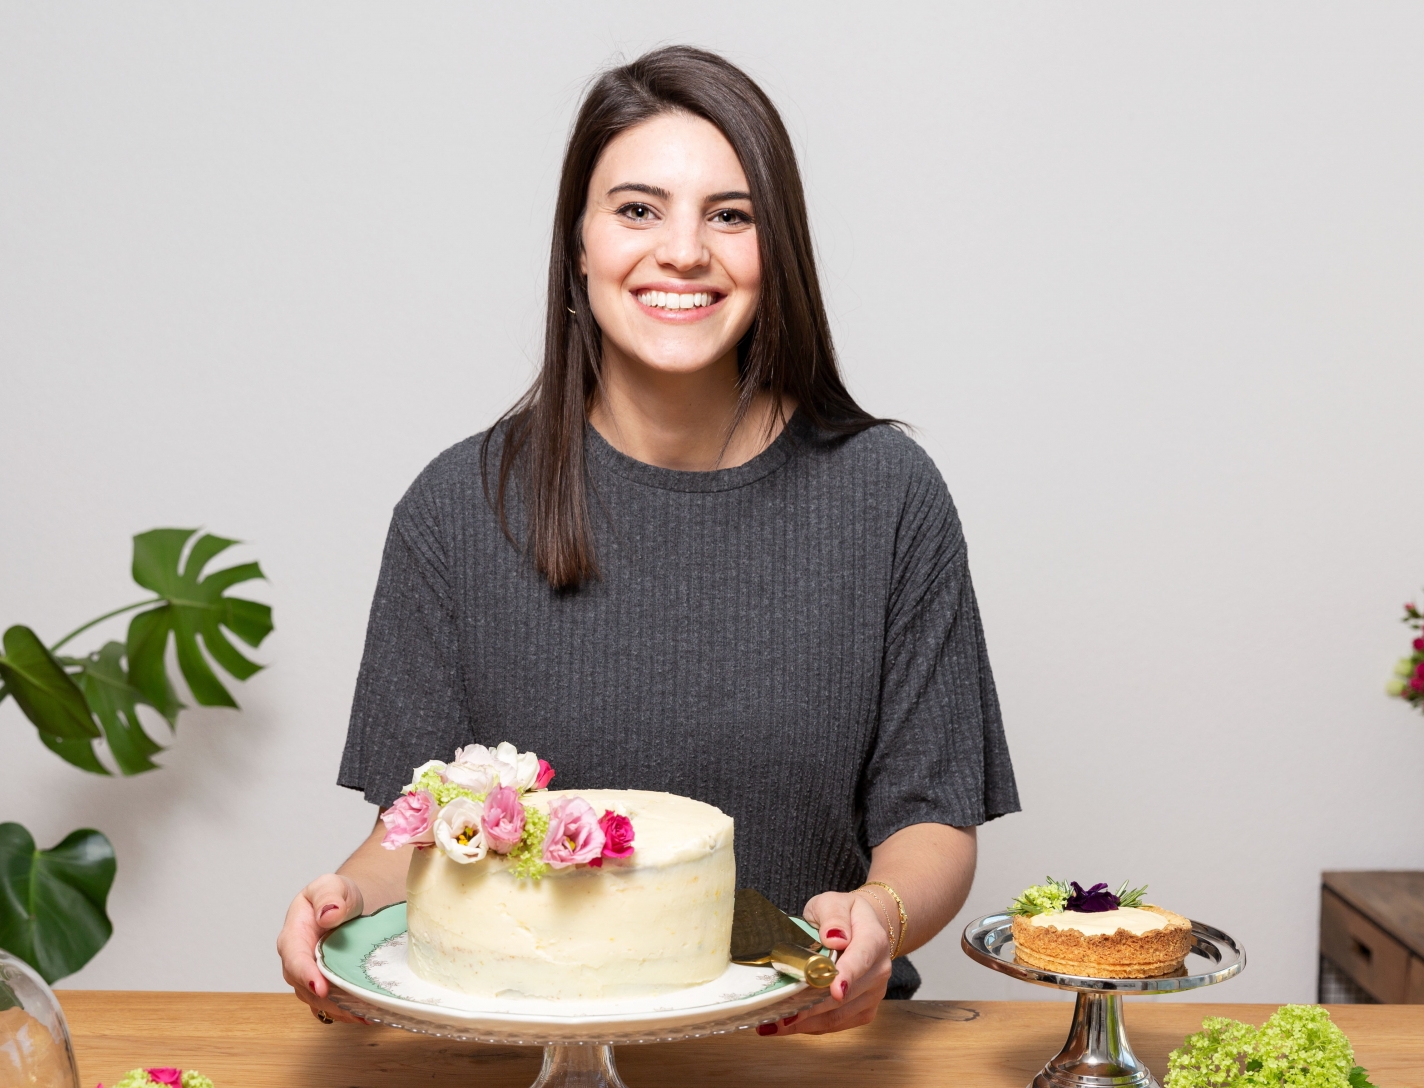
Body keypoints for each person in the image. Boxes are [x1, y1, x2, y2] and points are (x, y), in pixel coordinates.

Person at [278, 45, 1017, 1036]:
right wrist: (341, 904)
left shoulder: (887, 496)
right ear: (577, 246)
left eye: (729, 214)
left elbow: (930, 823)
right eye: (636, 210)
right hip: (516, 1067)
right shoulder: (456, 509)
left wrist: (875, 916)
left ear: (776, 248)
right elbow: (413, 830)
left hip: (808, 1066)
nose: (681, 251)